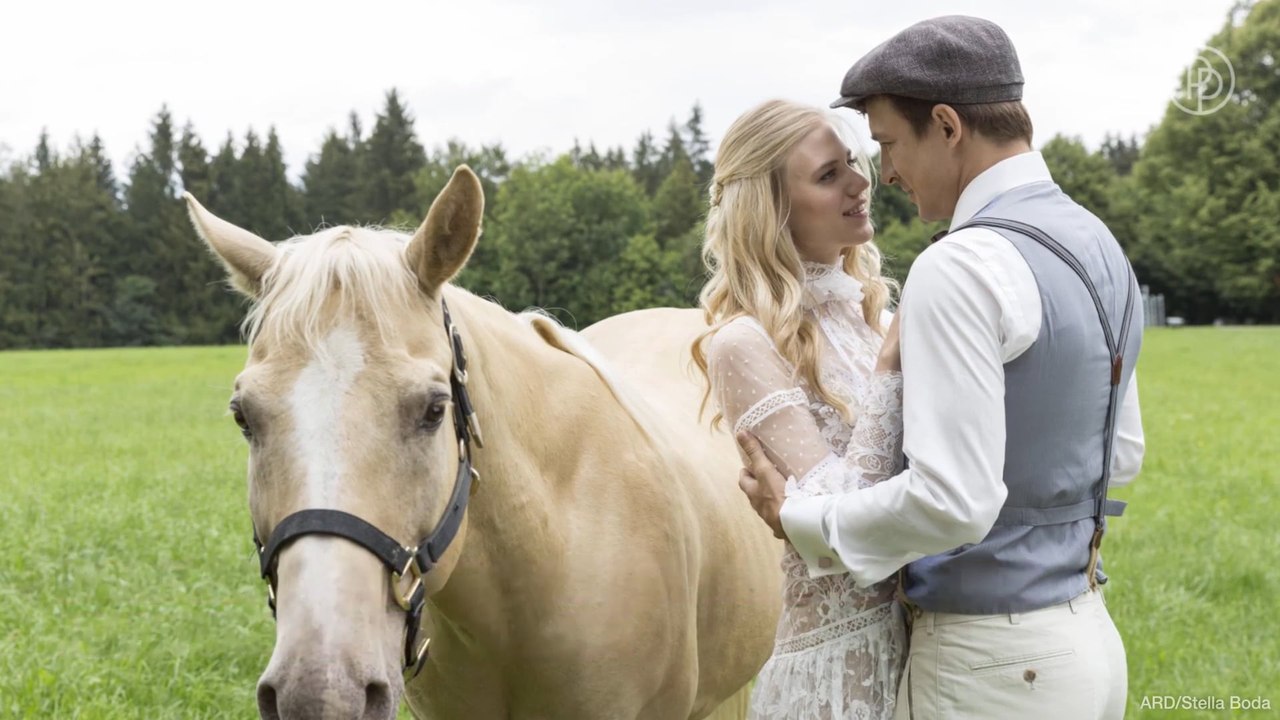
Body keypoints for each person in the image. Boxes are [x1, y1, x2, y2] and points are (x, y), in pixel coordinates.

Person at [736, 16, 1145, 720]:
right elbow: (1123, 453)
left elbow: (956, 501)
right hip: (1089, 645)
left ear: (948, 126)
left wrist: (802, 518)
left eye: (889, 144)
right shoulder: (1096, 241)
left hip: (991, 663)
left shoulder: (960, 264)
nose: (886, 173)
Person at [692, 98, 906, 719]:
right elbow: (836, 515)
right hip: (841, 669)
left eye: (853, 163)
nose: (860, 183)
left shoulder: (878, 320)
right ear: (772, 209)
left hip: (928, 648)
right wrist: (891, 368)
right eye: (829, 175)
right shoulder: (744, 343)